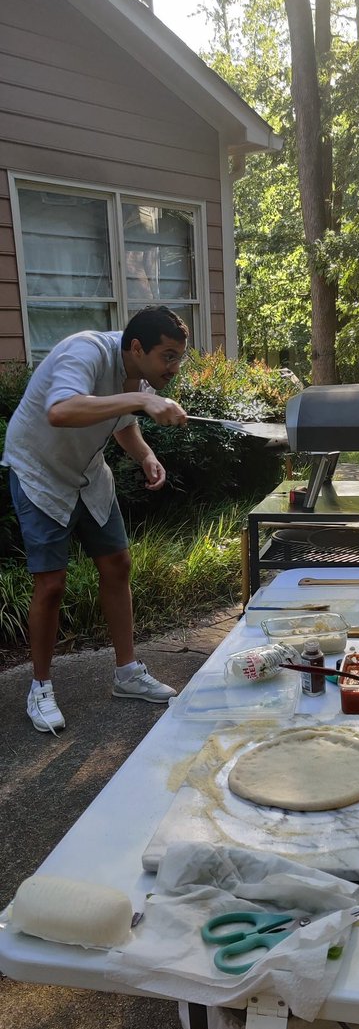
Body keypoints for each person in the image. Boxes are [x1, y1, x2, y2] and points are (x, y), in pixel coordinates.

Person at [1, 305, 190, 735]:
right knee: (51, 584)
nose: (174, 367)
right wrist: (143, 399)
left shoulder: (136, 375)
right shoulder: (84, 351)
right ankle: (40, 687)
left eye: (179, 357)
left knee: (118, 564)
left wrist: (146, 455)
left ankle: (127, 673)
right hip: (40, 472)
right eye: (168, 355)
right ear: (137, 347)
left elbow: (121, 423)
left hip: (87, 474)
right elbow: (61, 411)